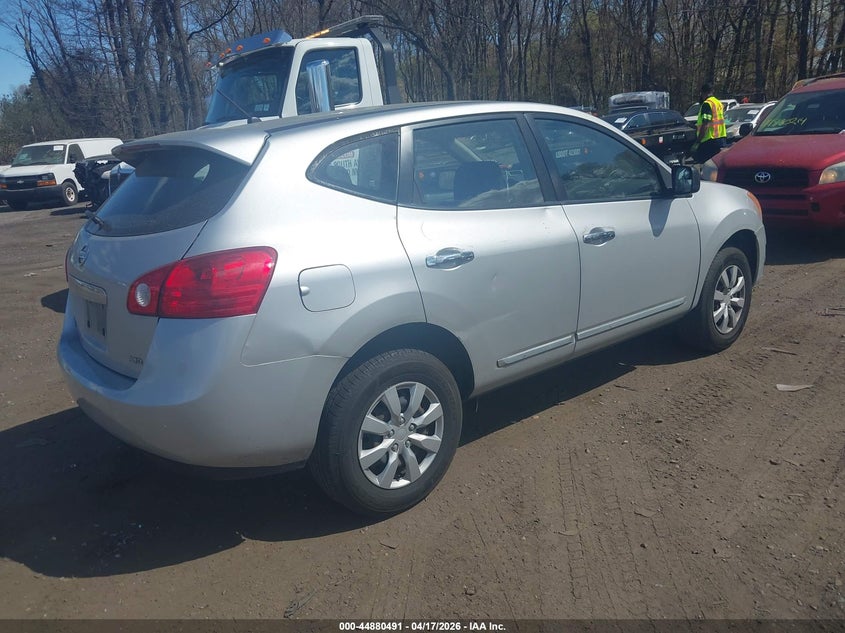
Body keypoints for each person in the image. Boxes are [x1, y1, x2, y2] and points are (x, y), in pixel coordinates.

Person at [691, 82, 727, 164]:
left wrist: (698, 141)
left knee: (706, 166)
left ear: (702, 93)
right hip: (721, 138)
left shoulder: (707, 104)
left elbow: (705, 124)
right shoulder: (718, 103)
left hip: (709, 140)